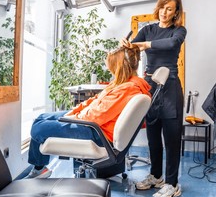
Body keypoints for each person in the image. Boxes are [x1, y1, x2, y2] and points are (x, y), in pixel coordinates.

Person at [26, 45, 151, 178]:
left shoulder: (127, 89)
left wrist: (76, 117)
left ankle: (38, 168)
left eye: (111, 66)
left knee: (38, 128)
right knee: (41, 117)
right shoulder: (121, 84)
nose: (109, 69)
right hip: (91, 123)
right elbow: (95, 100)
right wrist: (75, 111)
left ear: (118, 66)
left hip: (97, 132)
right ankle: (39, 169)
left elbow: (96, 117)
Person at [120, 0, 187, 197]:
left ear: (176, 12)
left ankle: (172, 184)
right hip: (149, 87)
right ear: (158, 8)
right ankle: (156, 176)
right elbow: (132, 47)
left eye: (170, 9)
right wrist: (125, 44)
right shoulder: (147, 29)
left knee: (172, 139)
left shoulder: (179, 31)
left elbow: (170, 45)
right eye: (162, 7)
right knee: (153, 138)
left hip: (170, 87)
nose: (165, 12)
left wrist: (145, 45)